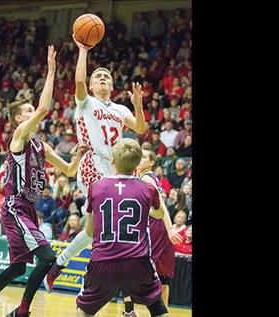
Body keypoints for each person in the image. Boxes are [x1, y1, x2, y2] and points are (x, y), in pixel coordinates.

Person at [0, 45, 87, 317]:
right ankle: (23, 311)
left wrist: (79, 154)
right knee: (49, 258)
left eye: (32, 110)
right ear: (19, 118)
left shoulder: (42, 147)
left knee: (18, 267)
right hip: (15, 206)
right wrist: (51, 71)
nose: (34, 112)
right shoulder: (18, 137)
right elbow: (43, 108)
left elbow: (69, 170)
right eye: (28, 110)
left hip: (29, 210)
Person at [44, 34, 147, 291]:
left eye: (107, 77)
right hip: (91, 163)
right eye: (98, 77)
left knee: (97, 230)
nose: (103, 78)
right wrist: (83, 51)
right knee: (101, 227)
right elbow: (78, 80)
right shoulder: (86, 102)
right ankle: (86, 280)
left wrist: (138, 105)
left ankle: (62, 266)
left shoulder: (121, 109)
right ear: (90, 86)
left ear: (112, 86)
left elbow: (141, 128)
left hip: (114, 168)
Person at [76, 139, 169, 317]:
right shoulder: (148, 189)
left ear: (113, 161)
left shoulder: (96, 187)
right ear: (136, 164)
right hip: (138, 261)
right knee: (157, 307)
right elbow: (159, 214)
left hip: (102, 262)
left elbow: (89, 231)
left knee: (84, 311)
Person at [121, 149, 182, 314]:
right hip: (161, 227)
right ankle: (163, 312)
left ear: (151, 163)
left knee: (131, 266)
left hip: (155, 226)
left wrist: (170, 229)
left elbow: (161, 203)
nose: (140, 159)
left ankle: (129, 310)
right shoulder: (153, 178)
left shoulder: (146, 177)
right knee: (163, 277)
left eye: (145, 157)